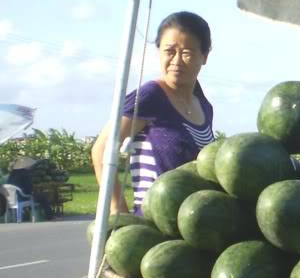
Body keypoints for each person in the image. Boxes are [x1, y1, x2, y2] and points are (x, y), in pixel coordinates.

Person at [92, 11, 215, 214]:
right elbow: (102, 149)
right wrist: (119, 213)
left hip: (193, 226)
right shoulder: (150, 97)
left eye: (186, 53)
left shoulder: (204, 106)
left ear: (204, 56)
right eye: (169, 51)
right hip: (153, 226)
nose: (176, 60)